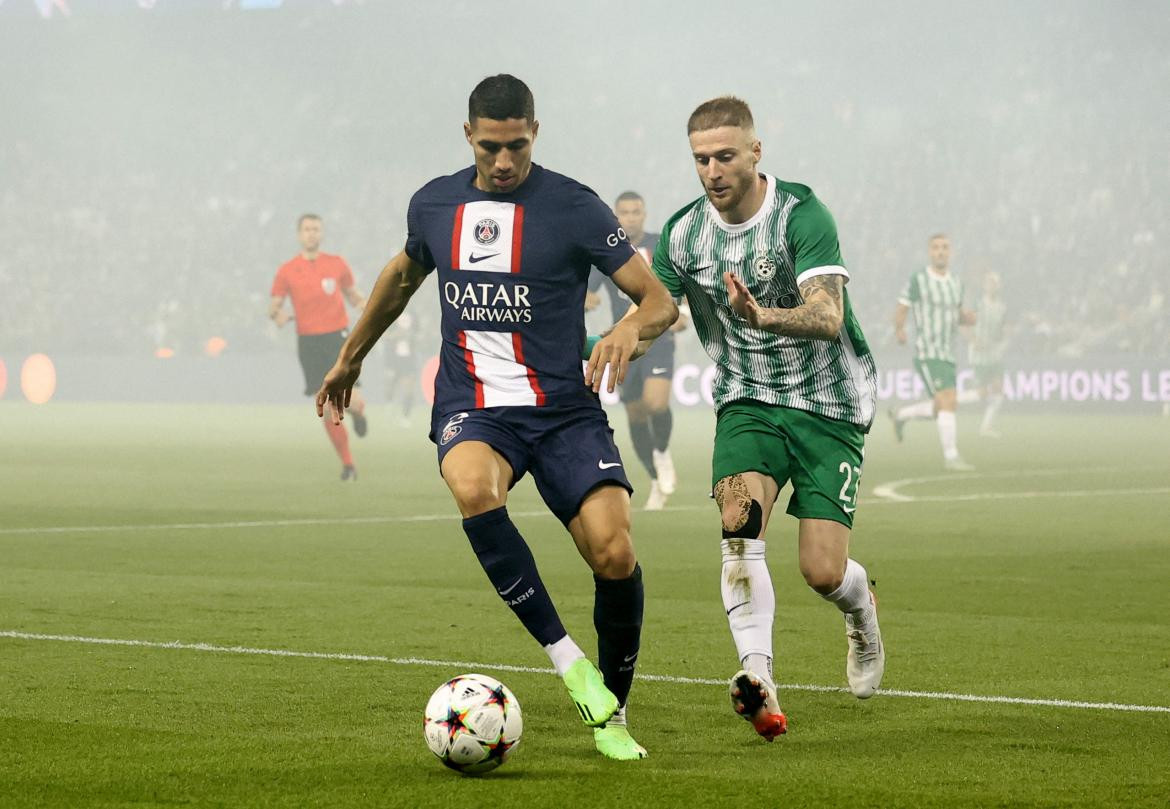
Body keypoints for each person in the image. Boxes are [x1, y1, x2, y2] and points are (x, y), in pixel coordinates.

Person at [315, 75, 677, 761]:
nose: (503, 161)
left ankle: (614, 708)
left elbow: (658, 300)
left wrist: (631, 329)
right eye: (490, 147)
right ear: (468, 137)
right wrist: (350, 357)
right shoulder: (435, 203)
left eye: (516, 145)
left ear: (535, 132)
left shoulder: (573, 206)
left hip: (565, 409)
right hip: (475, 404)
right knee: (475, 488)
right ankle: (570, 662)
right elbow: (401, 275)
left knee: (614, 551)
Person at [651, 96, 884, 742]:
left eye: (725, 155)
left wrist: (763, 317)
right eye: (701, 159)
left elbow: (828, 314)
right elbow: (660, 312)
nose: (713, 170)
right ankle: (758, 675)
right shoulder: (683, 234)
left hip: (828, 403)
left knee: (822, 570)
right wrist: (604, 343)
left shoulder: (801, 215)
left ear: (756, 152)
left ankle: (862, 611)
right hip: (747, 397)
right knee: (737, 520)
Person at [585, 191, 687, 510]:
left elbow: (678, 288)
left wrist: (681, 316)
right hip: (622, 343)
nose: (630, 217)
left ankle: (662, 452)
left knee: (656, 403)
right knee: (635, 412)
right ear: (616, 216)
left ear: (644, 214)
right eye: (624, 212)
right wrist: (585, 302)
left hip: (656, 337)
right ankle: (655, 479)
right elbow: (588, 293)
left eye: (636, 211)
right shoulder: (608, 250)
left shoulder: (660, 245)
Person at [269, 214, 369, 481]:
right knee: (326, 407)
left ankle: (358, 413)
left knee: (352, 400)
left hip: (338, 337)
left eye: (315, 229)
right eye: (307, 229)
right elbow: (274, 304)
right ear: (299, 234)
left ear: (321, 233)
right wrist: (277, 315)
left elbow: (351, 292)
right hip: (309, 342)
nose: (311, 233)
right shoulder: (287, 270)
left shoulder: (336, 264)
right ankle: (348, 465)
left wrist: (363, 305)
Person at [890, 234, 978, 470]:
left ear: (951, 252)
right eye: (936, 247)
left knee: (943, 405)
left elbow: (957, 313)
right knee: (948, 400)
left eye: (945, 248)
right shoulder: (918, 279)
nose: (940, 251)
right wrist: (899, 328)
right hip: (928, 351)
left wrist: (967, 319)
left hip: (949, 352)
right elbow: (903, 304)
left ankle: (902, 414)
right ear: (930, 252)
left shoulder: (956, 283)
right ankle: (951, 456)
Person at [968, 271, 1008, 437]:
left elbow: (1003, 330)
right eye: (989, 282)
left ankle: (986, 427)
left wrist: (1002, 343)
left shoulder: (1002, 307)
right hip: (979, 356)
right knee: (981, 394)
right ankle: (949, 401)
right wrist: (974, 340)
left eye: (995, 282)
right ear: (984, 286)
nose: (992, 285)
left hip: (994, 354)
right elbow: (964, 324)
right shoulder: (977, 304)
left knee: (999, 391)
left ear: (999, 286)